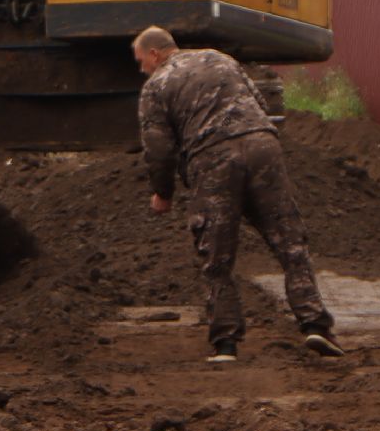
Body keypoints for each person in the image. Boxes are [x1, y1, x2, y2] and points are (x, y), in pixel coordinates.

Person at [132, 25, 343, 363]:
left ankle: (225, 344)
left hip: (213, 158)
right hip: (262, 146)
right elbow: (258, 103)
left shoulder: (156, 86)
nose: (141, 68)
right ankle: (315, 325)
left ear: (155, 54)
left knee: (217, 257)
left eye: (141, 60)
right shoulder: (219, 59)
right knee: (290, 242)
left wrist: (163, 192)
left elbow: (158, 148)